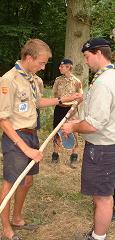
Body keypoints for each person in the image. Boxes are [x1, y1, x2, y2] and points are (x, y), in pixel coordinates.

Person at [0, 38, 83, 240]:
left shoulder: (33, 79)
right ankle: (5, 228)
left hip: (32, 135)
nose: (44, 66)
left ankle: (17, 218)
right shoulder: (8, 80)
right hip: (16, 137)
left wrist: (64, 99)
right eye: (42, 62)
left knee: (27, 181)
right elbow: (2, 119)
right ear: (29, 57)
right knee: (11, 183)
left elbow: (37, 102)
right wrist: (25, 149)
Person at [62, 37, 115, 240]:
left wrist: (73, 126)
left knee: (102, 197)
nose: (85, 61)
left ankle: (97, 237)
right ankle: (97, 232)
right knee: (104, 194)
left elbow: (94, 125)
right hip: (108, 145)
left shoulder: (103, 82)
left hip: (102, 148)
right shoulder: (109, 77)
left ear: (98, 53)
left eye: (86, 56)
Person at [52, 59, 83, 168]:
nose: (59, 68)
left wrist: (74, 106)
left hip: (71, 110)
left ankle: (74, 157)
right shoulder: (58, 80)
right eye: (60, 66)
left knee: (73, 132)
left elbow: (80, 97)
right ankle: (55, 156)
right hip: (59, 108)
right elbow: (55, 95)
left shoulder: (76, 81)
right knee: (57, 131)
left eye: (62, 66)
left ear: (68, 67)